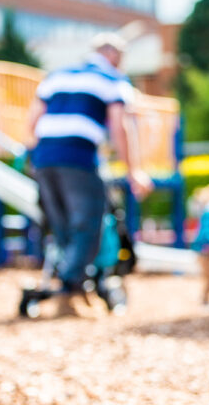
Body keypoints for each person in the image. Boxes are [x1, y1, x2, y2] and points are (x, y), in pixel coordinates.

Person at [28, 32, 152, 314]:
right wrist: (134, 171)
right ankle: (68, 290)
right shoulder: (112, 79)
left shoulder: (58, 75)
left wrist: (34, 154)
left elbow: (32, 119)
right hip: (79, 157)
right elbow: (120, 127)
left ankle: (75, 286)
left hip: (44, 157)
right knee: (89, 224)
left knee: (61, 227)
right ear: (114, 56)